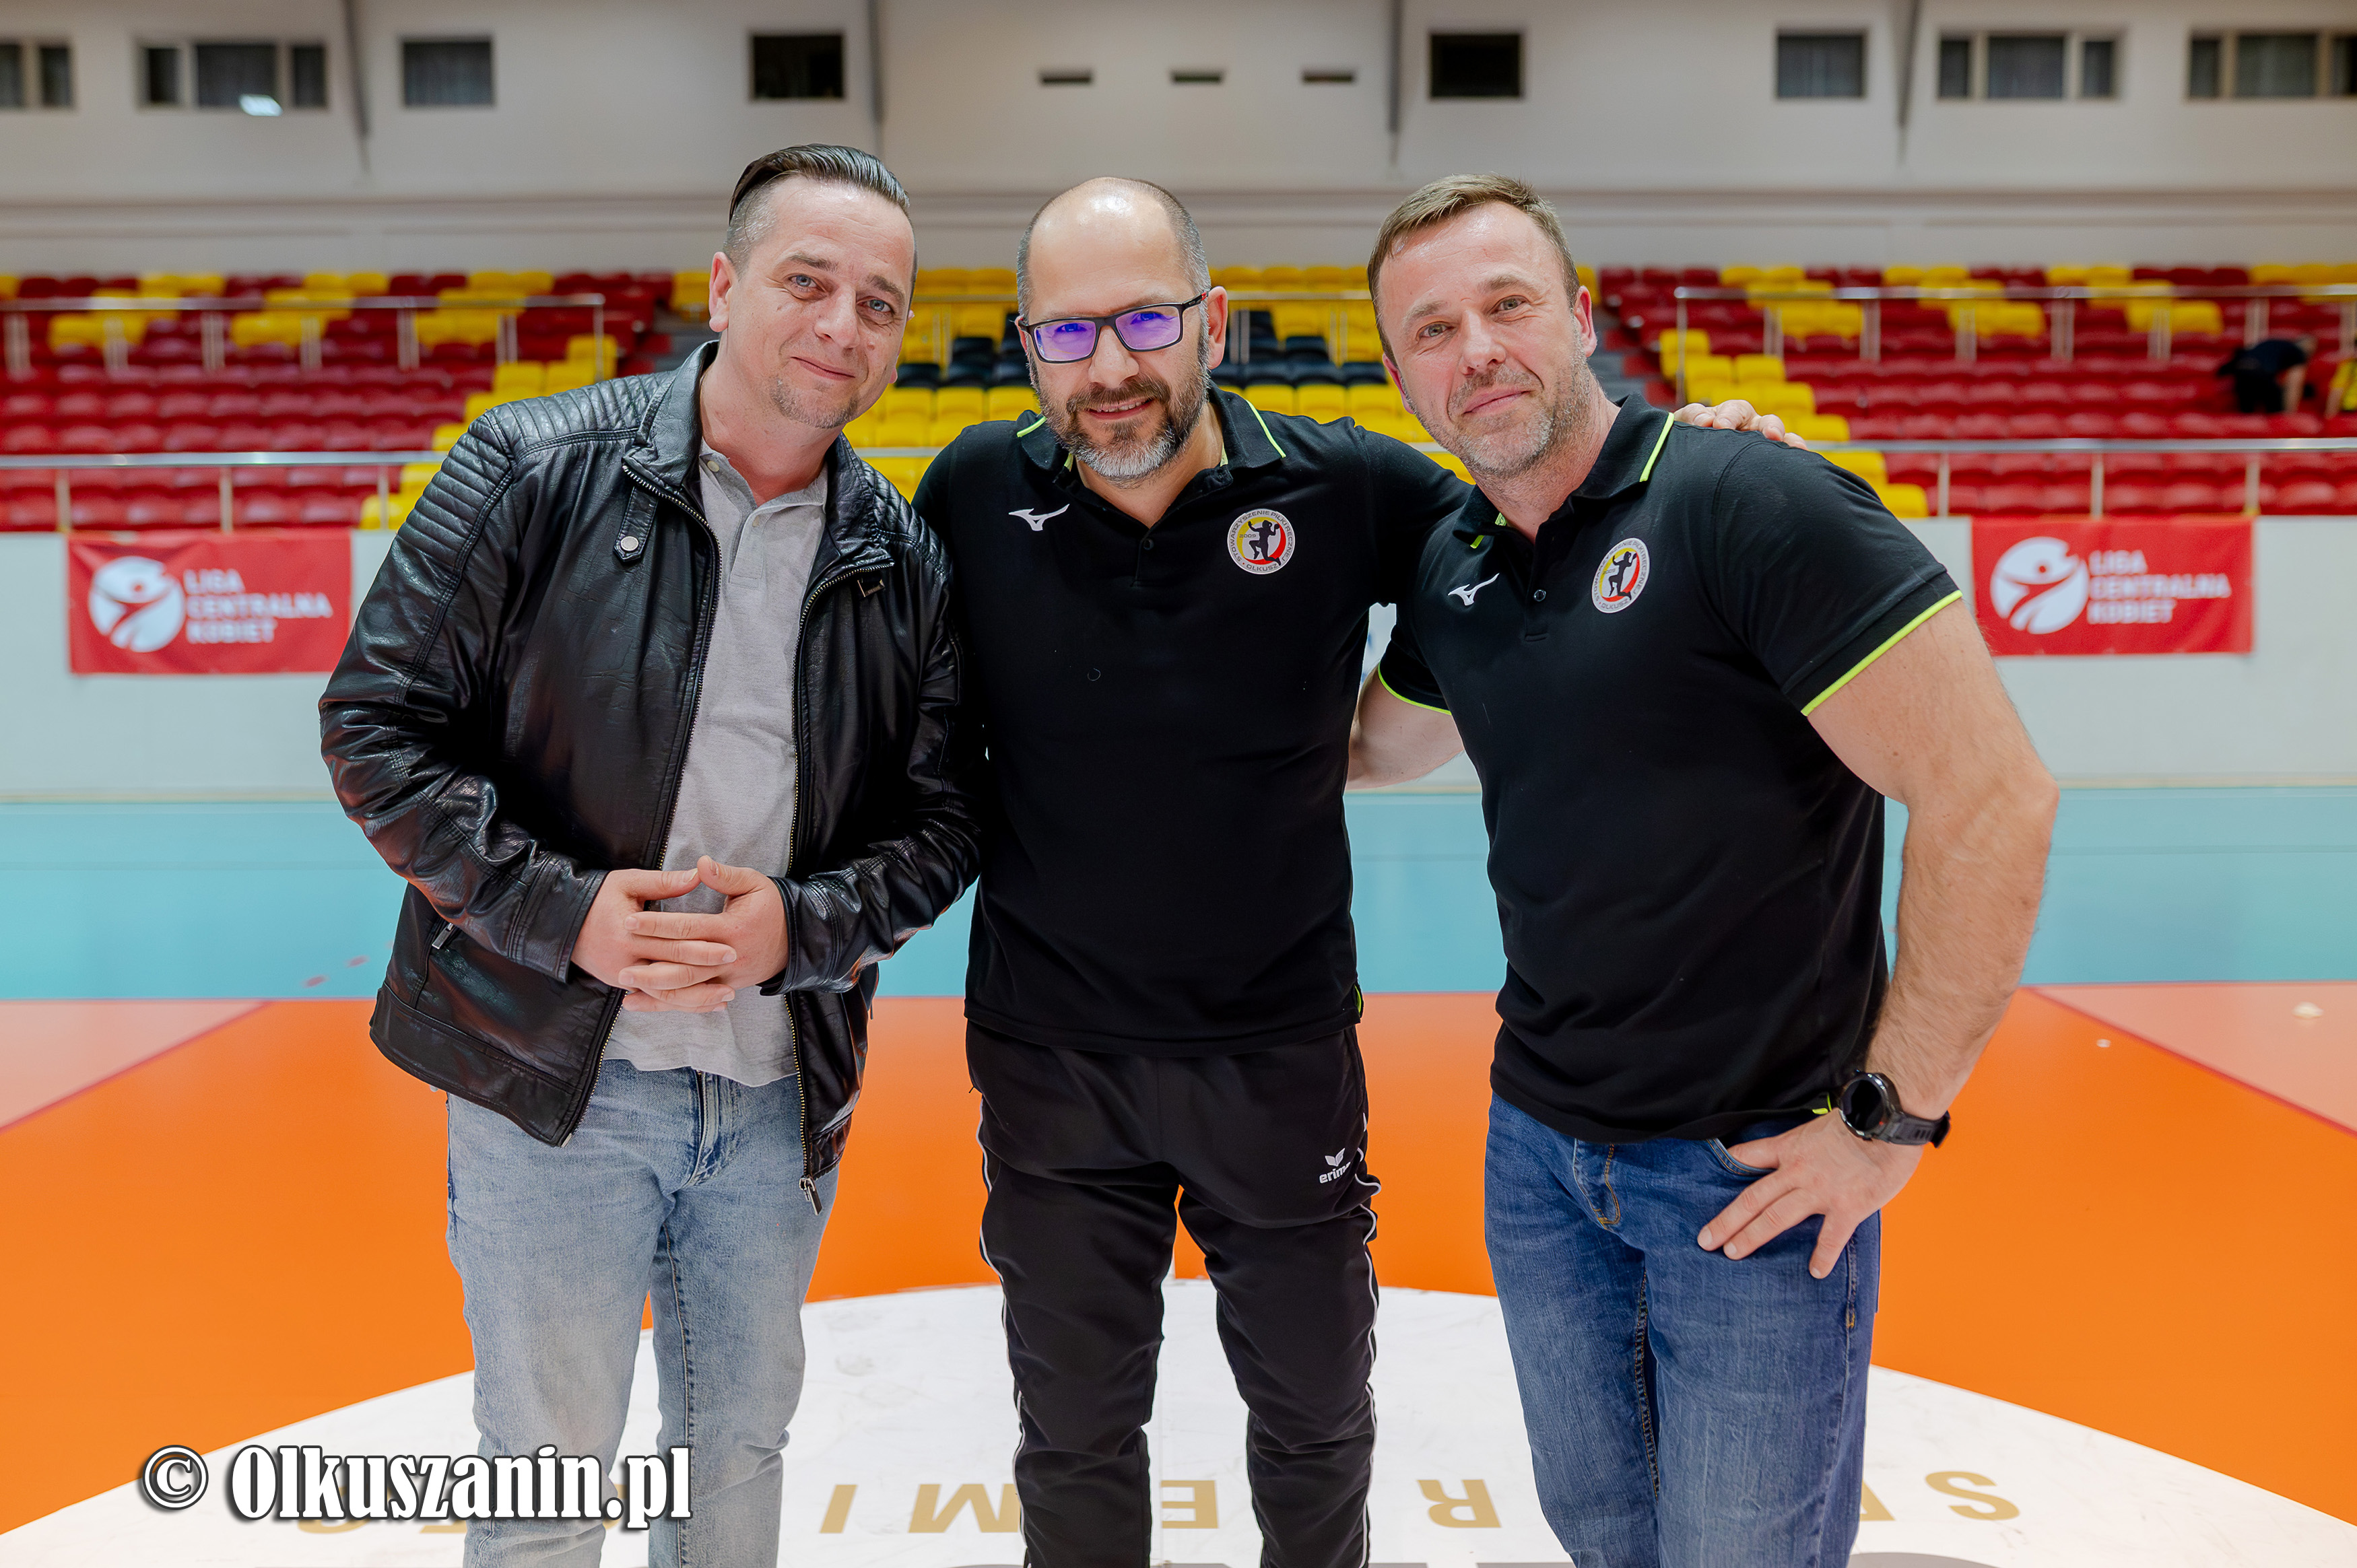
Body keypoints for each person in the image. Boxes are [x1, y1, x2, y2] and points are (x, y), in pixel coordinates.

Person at [911, 176, 1797, 1568]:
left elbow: (1546, 520)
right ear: (1027, 347)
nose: (1110, 366)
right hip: (1048, 1058)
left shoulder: (1341, 485)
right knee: (1072, 1432)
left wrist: (1705, 467)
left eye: (1145, 320)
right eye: (1068, 333)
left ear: (1214, 321)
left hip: (1279, 1048)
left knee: (1316, 1421)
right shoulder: (970, 488)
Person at [1350, 174, 2057, 1568]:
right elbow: (1366, 748)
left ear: (1580, 316)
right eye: (1431, 329)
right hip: (1539, 1161)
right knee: (1601, 1532)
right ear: (1400, 373)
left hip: (1751, 1172)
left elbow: (1993, 798)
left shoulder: (1748, 500)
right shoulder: (1453, 566)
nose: (1475, 350)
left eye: (1505, 305)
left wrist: (1889, 1122)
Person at [319, 145, 983, 1567]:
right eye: (807, 281)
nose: (842, 325)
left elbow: (943, 825)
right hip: (553, 1082)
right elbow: (375, 725)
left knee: (734, 1462)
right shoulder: (529, 467)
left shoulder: (904, 559)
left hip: (774, 1096)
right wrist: (563, 914)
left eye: (879, 302)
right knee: (547, 1473)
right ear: (725, 286)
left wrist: (799, 929)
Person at [2218, 333, 2313, 413]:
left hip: (2241, 371)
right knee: (2275, 414)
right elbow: (2294, 384)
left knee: (2247, 416)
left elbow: (2243, 355)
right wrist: (2289, 414)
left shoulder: (2274, 344)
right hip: (2260, 373)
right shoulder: (2298, 352)